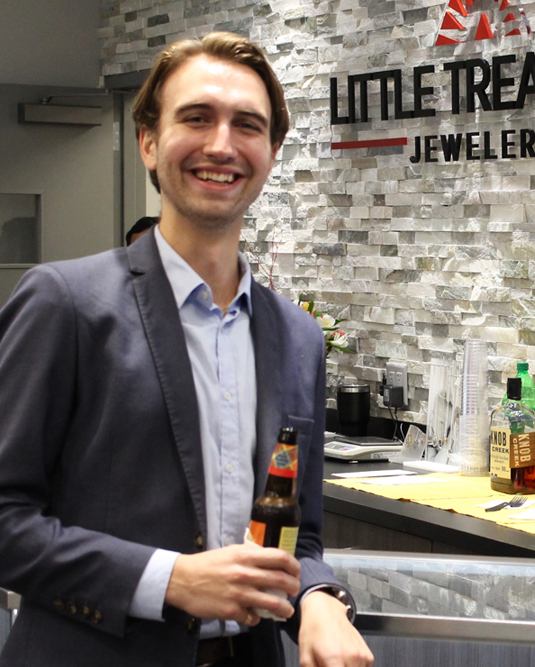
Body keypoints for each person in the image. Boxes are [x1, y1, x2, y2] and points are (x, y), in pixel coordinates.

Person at [0, 33, 373, 667]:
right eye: (196, 118)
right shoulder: (65, 304)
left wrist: (317, 597)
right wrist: (168, 579)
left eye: (247, 125)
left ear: (272, 152)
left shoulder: (298, 337)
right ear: (148, 141)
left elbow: (296, 536)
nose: (222, 145)